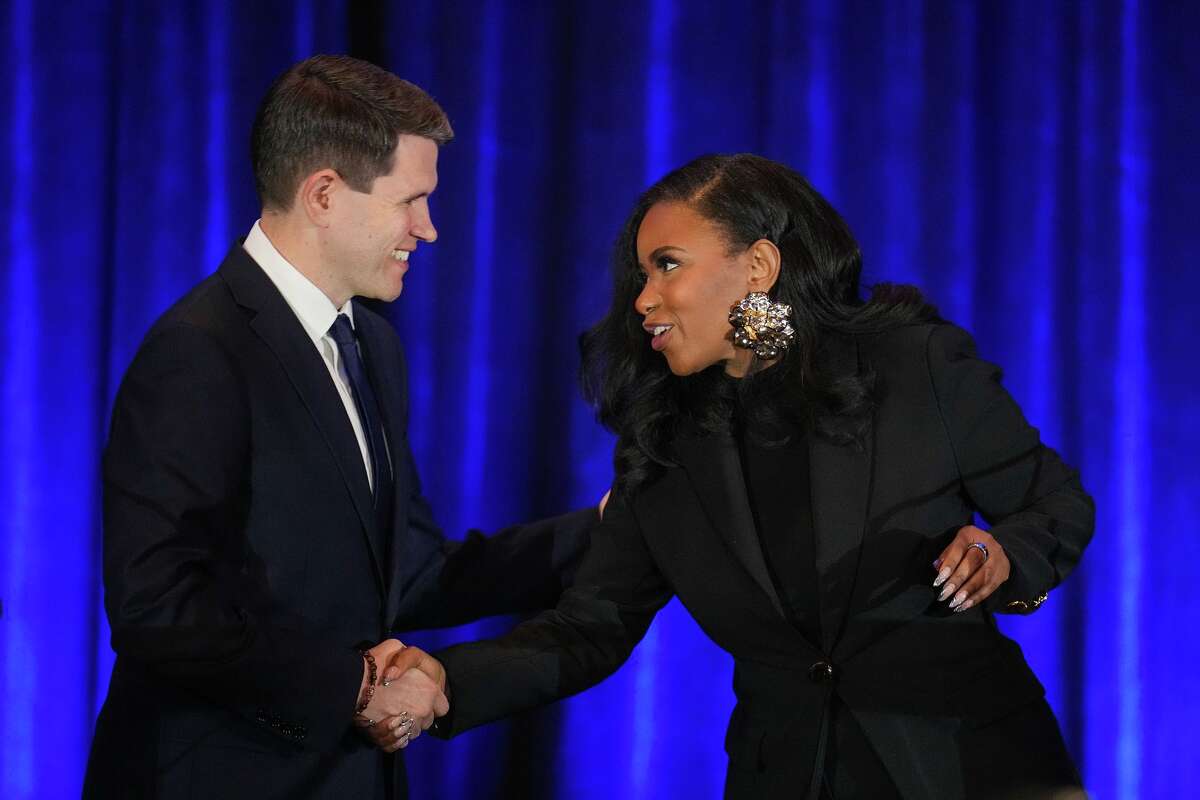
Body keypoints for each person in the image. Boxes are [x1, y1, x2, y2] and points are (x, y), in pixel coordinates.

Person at [379, 154, 1095, 799]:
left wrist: (1007, 557)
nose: (642, 299)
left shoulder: (914, 364)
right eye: (640, 274)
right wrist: (448, 683)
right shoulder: (663, 443)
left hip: (974, 764)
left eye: (667, 265)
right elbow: (588, 629)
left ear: (757, 267)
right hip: (785, 774)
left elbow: (1054, 502)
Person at [83, 54, 594, 800]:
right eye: (410, 201)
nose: (429, 229)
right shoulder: (198, 350)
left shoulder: (372, 346)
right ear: (323, 194)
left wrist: (602, 532)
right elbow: (157, 605)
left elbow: (409, 572)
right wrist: (356, 685)